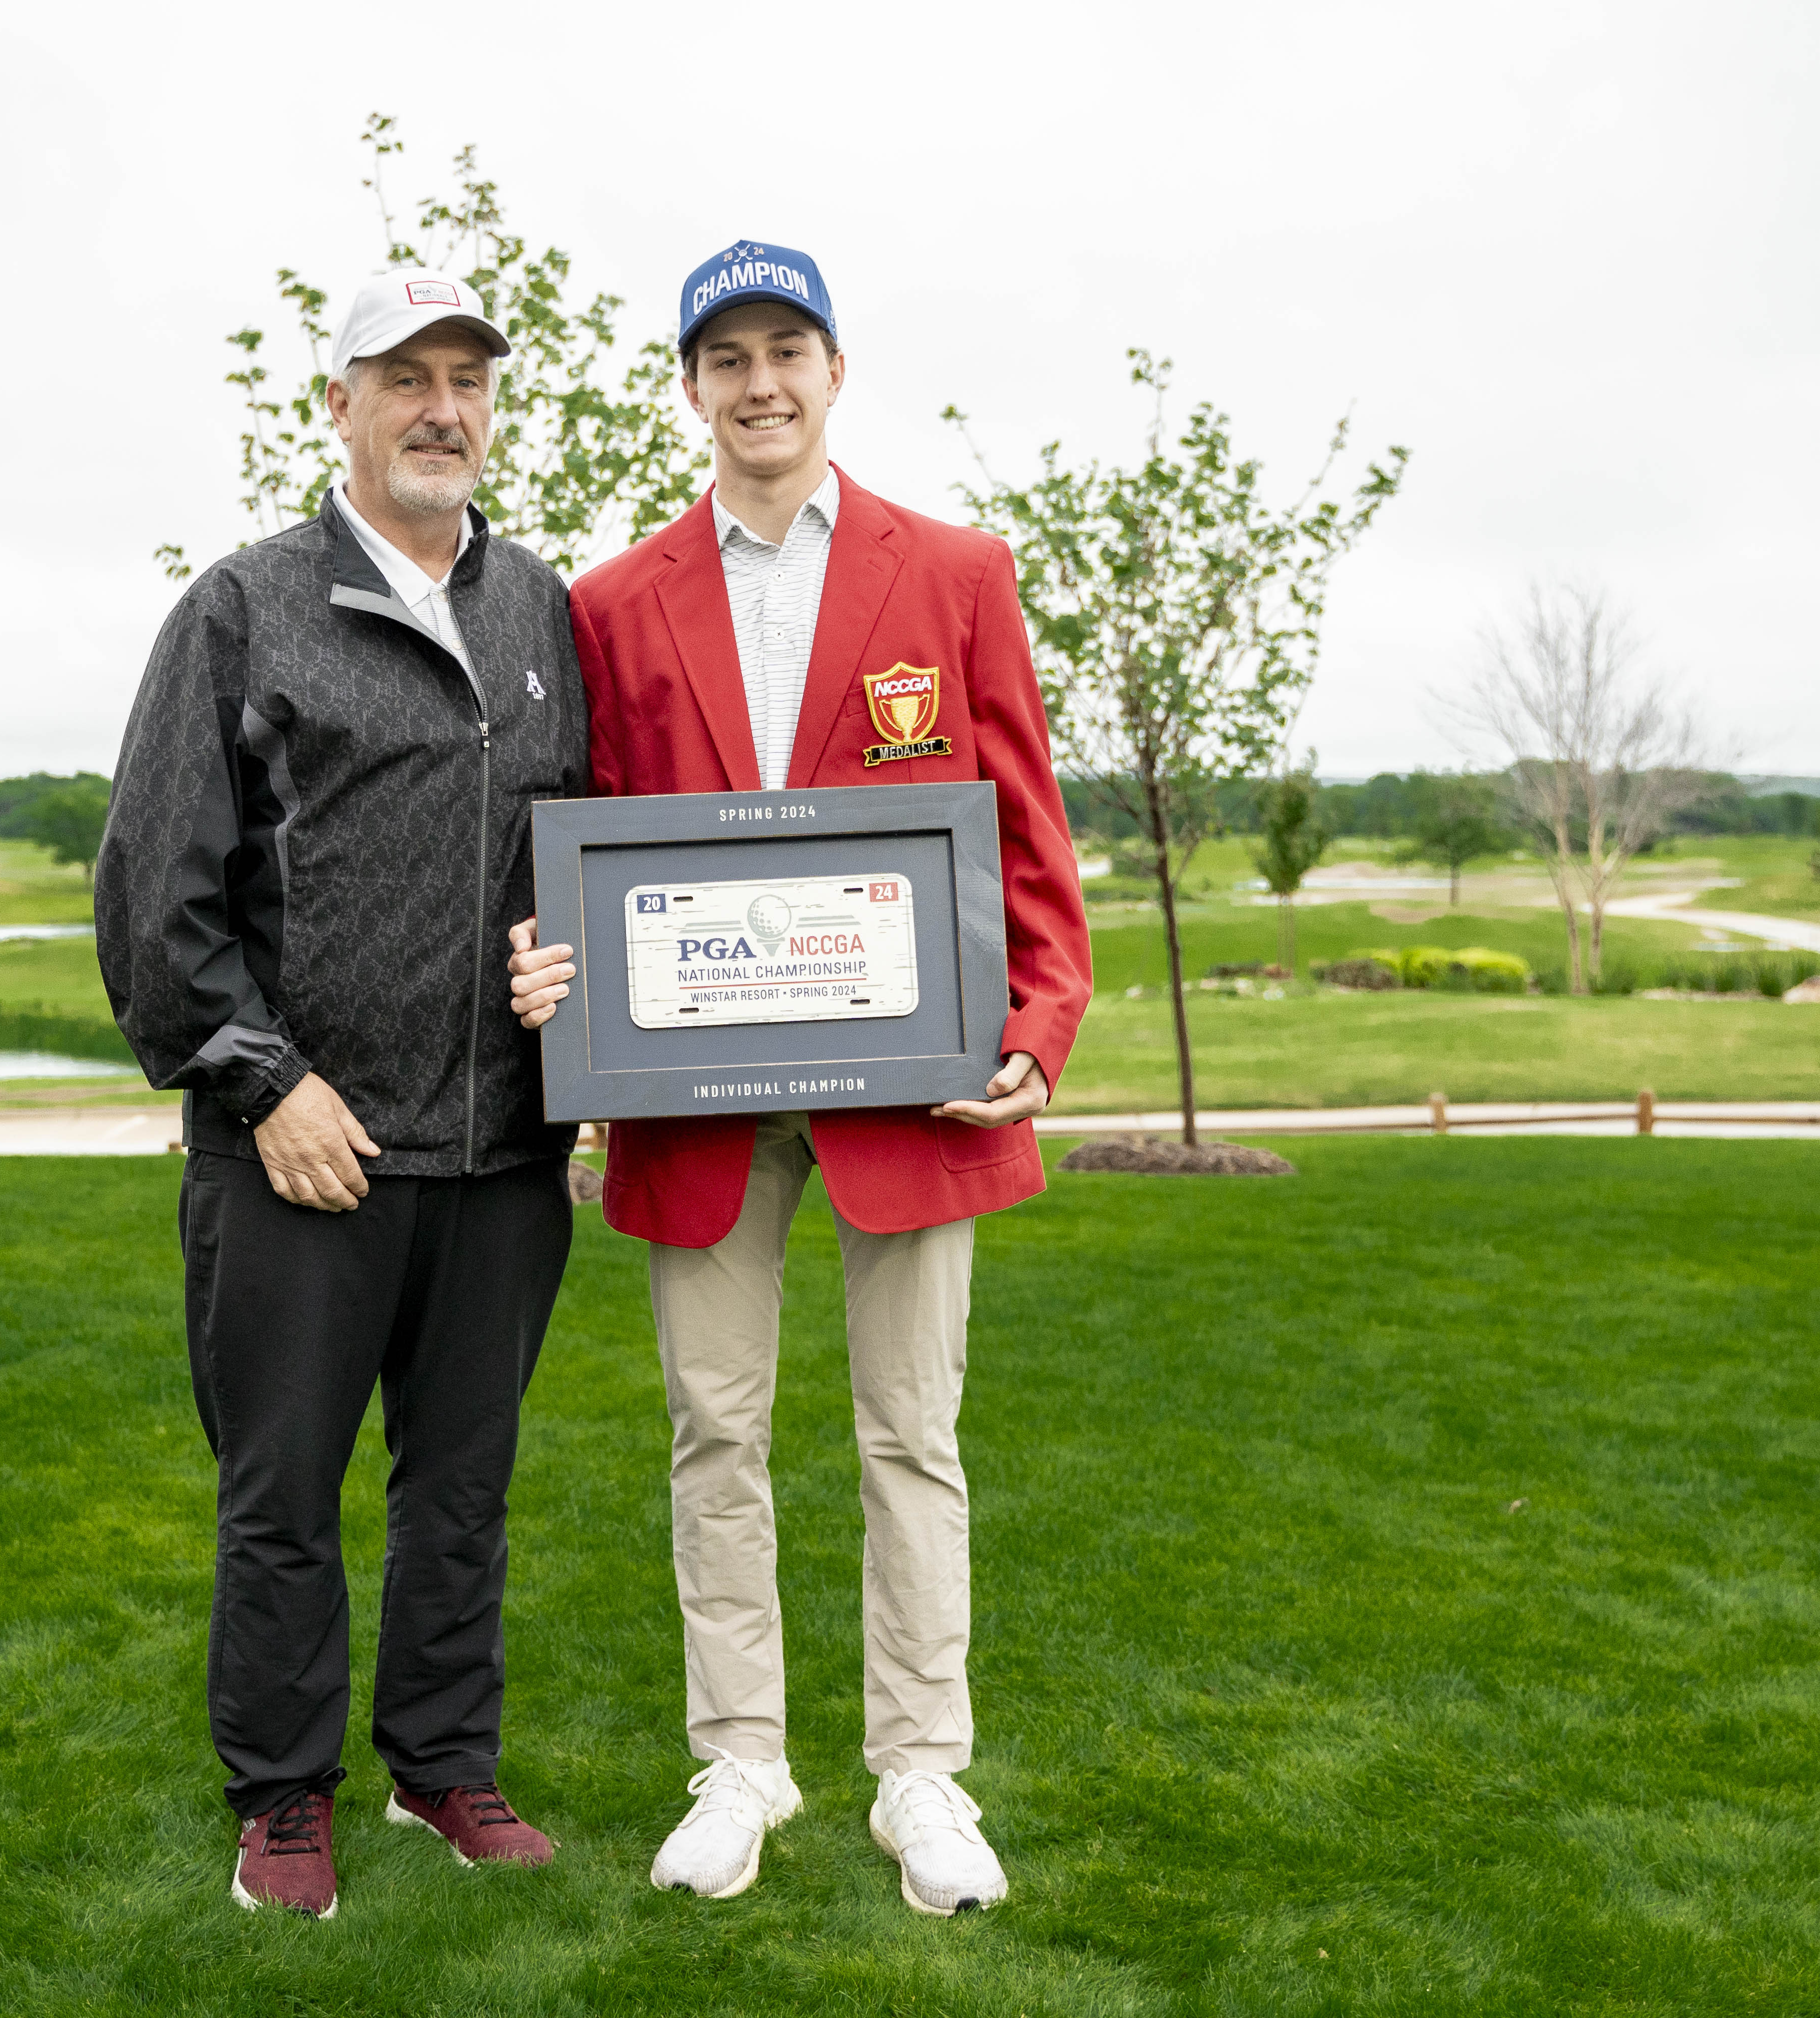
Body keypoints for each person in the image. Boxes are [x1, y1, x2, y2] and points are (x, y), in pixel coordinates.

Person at [506, 239, 1090, 1916]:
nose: (758, 383)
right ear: (689, 387)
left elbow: (1029, 839)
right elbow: (585, 842)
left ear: (835, 372)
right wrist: (565, 988)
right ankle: (742, 1757)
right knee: (716, 1433)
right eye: (725, 357)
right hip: (694, 1106)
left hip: (914, 1089)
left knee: (913, 1434)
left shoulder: (957, 571)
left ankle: (922, 1770)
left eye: (788, 350)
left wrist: (1036, 1032)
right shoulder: (610, 603)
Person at [98, 266, 587, 1919]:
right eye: (404, 378)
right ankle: (283, 1799)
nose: (441, 406)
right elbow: (156, 907)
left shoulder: (542, 617)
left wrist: (567, 965)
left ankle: (444, 1770)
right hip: (301, 1157)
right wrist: (266, 1084)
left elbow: (577, 861)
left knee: (461, 1494)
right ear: (341, 407)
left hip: (502, 1154)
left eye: (467, 378)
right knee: (282, 1499)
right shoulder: (244, 608)